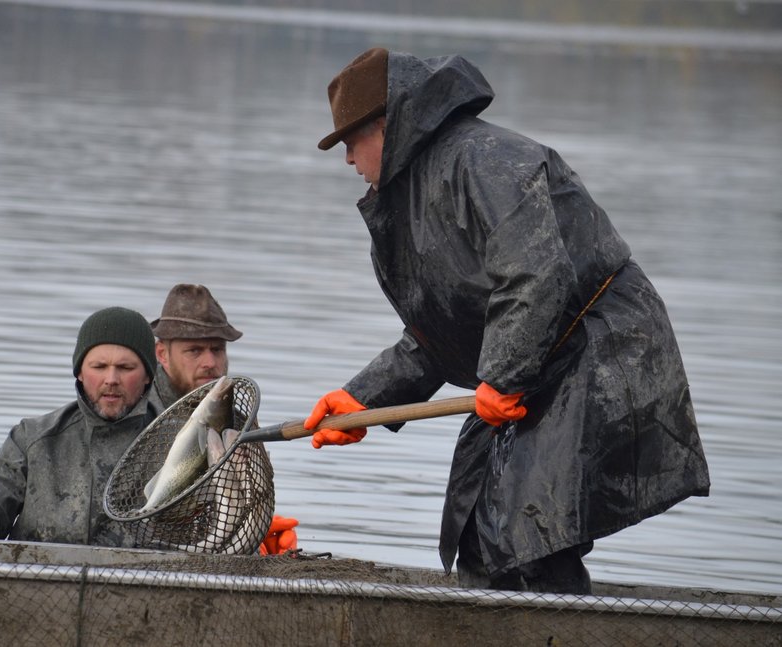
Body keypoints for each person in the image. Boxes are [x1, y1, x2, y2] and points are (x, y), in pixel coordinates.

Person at [304, 47, 710, 594]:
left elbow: (537, 273)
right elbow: (441, 333)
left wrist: (503, 375)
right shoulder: (416, 192)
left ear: (388, 127)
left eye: (352, 143)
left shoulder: (483, 159)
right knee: (476, 521)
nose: (349, 160)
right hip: (537, 358)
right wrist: (364, 399)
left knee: (532, 529)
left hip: (600, 344)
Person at [0, 306, 160, 545]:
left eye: (125, 368)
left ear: (148, 376)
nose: (111, 379)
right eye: (99, 367)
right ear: (80, 372)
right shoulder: (32, 438)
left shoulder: (174, 442)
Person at [150, 283, 298, 555]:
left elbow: (249, 496)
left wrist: (259, 537)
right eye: (194, 350)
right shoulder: (139, 413)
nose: (210, 363)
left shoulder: (240, 421)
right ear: (162, 354)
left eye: (217, 350)